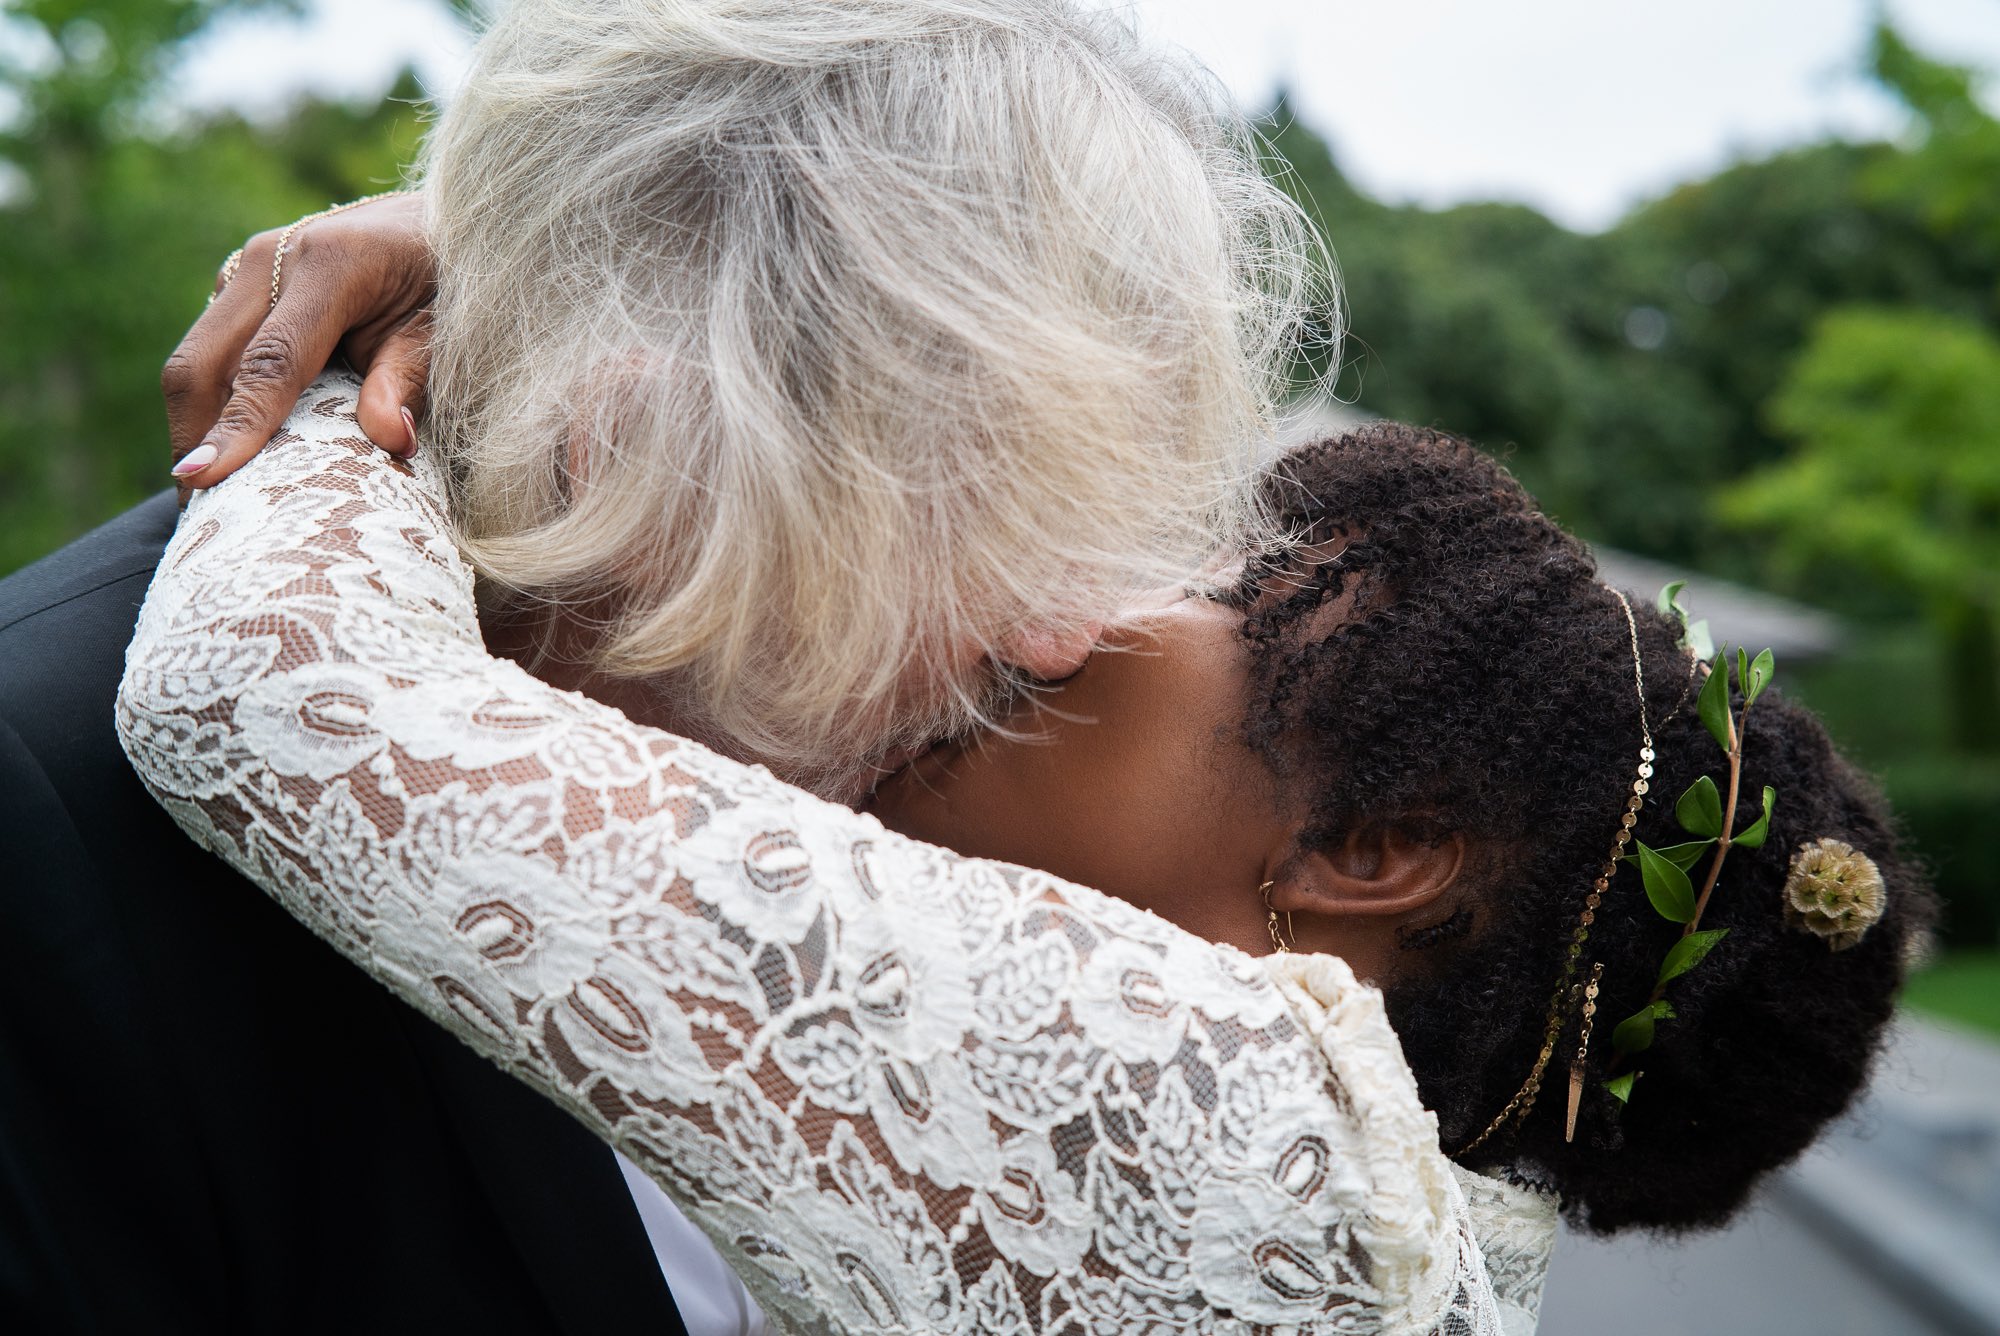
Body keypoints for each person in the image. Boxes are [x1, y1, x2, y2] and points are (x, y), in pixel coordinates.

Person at [0, 1, 1323, 1328]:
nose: (1061, 637)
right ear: (638, 444)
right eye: (995, 519)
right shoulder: (51, 839)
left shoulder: (947, 807)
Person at [117, 382, 1930, 1331]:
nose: (1056, 606)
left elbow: (266, 689)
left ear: (1376, 850)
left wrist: (408, 368)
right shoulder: (1410, 1247)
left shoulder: (1230, 1130)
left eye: (1212, 577)